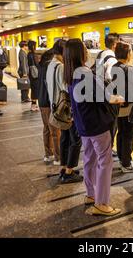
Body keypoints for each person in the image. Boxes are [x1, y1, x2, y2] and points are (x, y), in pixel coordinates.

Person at [65, 38, 122, 216]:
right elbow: (106, 97)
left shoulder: (70, 74)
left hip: (83, 125)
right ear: (80, 53)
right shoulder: (86, 74)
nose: (88, 50)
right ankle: (102, 203)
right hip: (97, 125)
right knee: (105, 161)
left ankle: (91, 194)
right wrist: (119, 98)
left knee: (89, 158)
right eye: (84, 48)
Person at [47, 39, 83, 184]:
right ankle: (69, 171)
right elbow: (67, 88)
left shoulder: (51, 64)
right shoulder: (61, 67)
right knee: (76, 140)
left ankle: (64, 167)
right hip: (66, 110)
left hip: (56, 108)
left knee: (65, 139)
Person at [111, 42, 133, 173]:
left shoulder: (114, 67)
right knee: (129, 135)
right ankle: (127, 163)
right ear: (128, 54)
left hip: (119, 108)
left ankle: (123, 160)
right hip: (129, 108)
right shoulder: (129, 69)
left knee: (121, 133)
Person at [38, 46, 60, 166]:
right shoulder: (50, 66)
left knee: (47, 129)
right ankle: (58, 157)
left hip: (42, 101)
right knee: (55, 131)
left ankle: (48, 154)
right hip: (48, 101)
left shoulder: (42, 66)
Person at [27, 40, 40, 112]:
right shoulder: (32, 54)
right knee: (35, 89)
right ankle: (33, 105)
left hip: (32, 74)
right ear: (33, 46)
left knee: (34, 89)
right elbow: (35, 64)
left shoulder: (29, 54)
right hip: (35, 74)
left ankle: (34, 104)